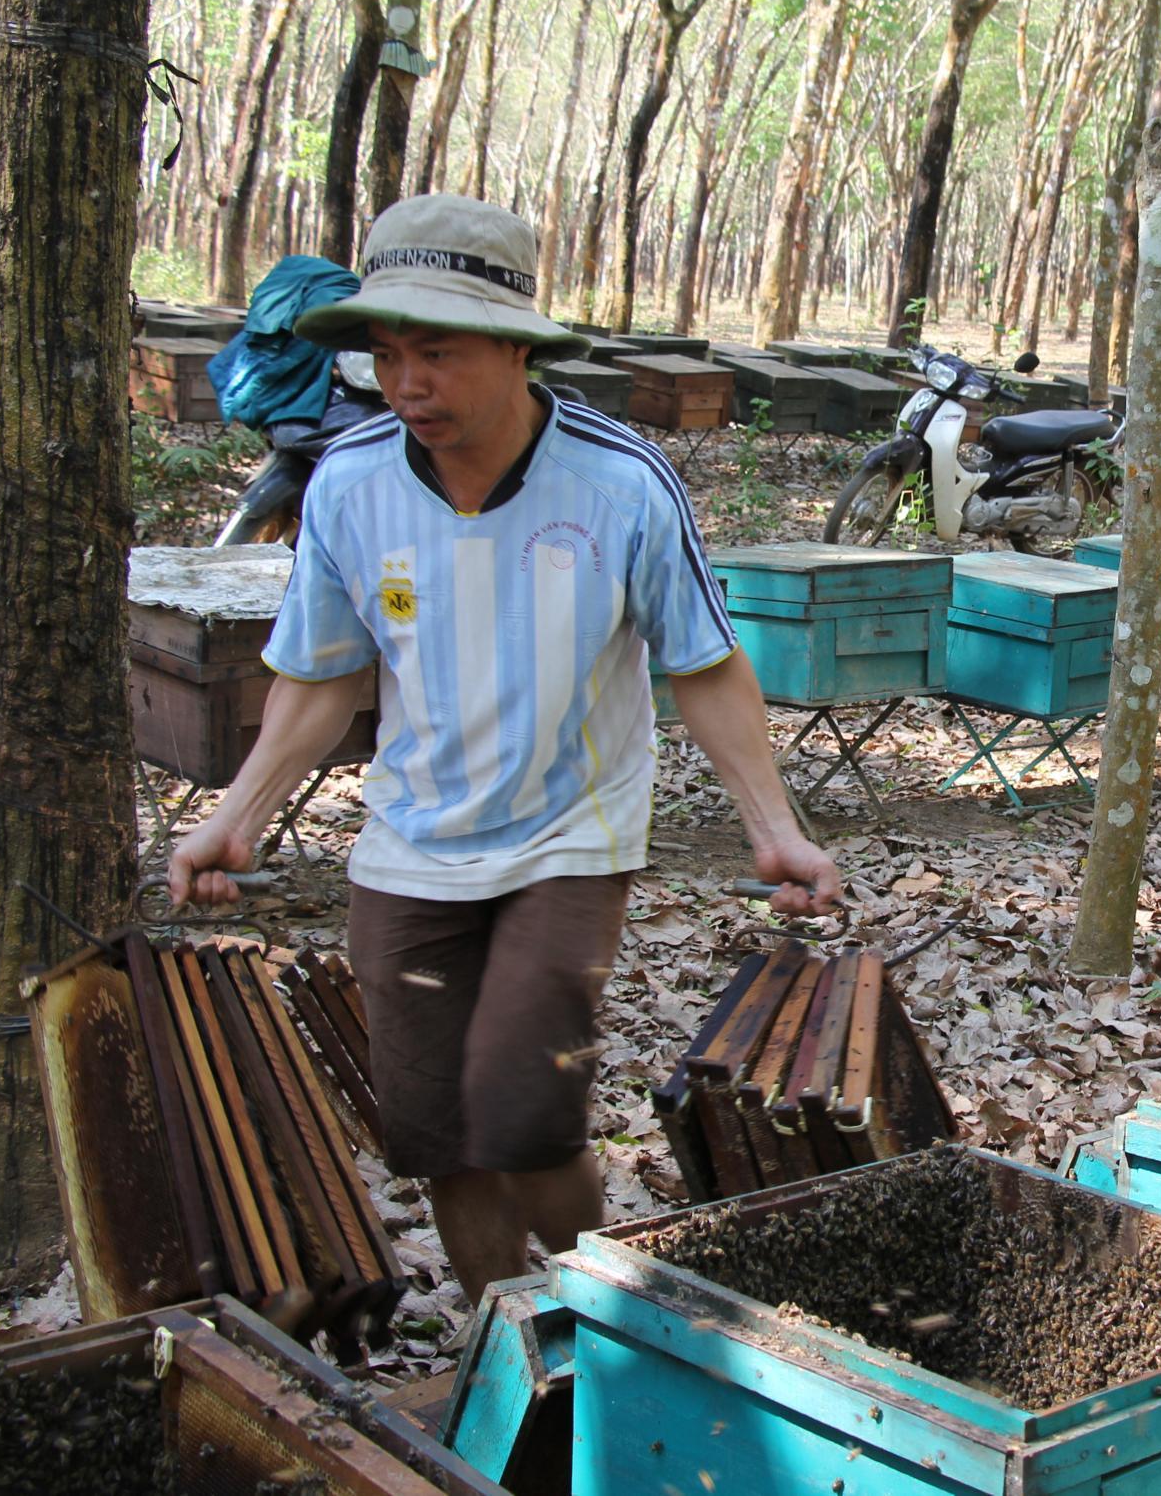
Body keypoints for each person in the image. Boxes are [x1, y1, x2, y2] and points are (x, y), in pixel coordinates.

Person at [169, 194, 840, 1302]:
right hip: (410, 845)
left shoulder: (619, 482)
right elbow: (323, 673)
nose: (406, 385)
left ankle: (605, 1310)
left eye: (436, 353)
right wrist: (235, 815)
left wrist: (775, 831)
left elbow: (703, 662)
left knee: (526, 1117)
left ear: (517, 349)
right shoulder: (349, 483)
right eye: (386, 356)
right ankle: (500, 1336)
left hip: (568, 837)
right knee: (435, 1134)